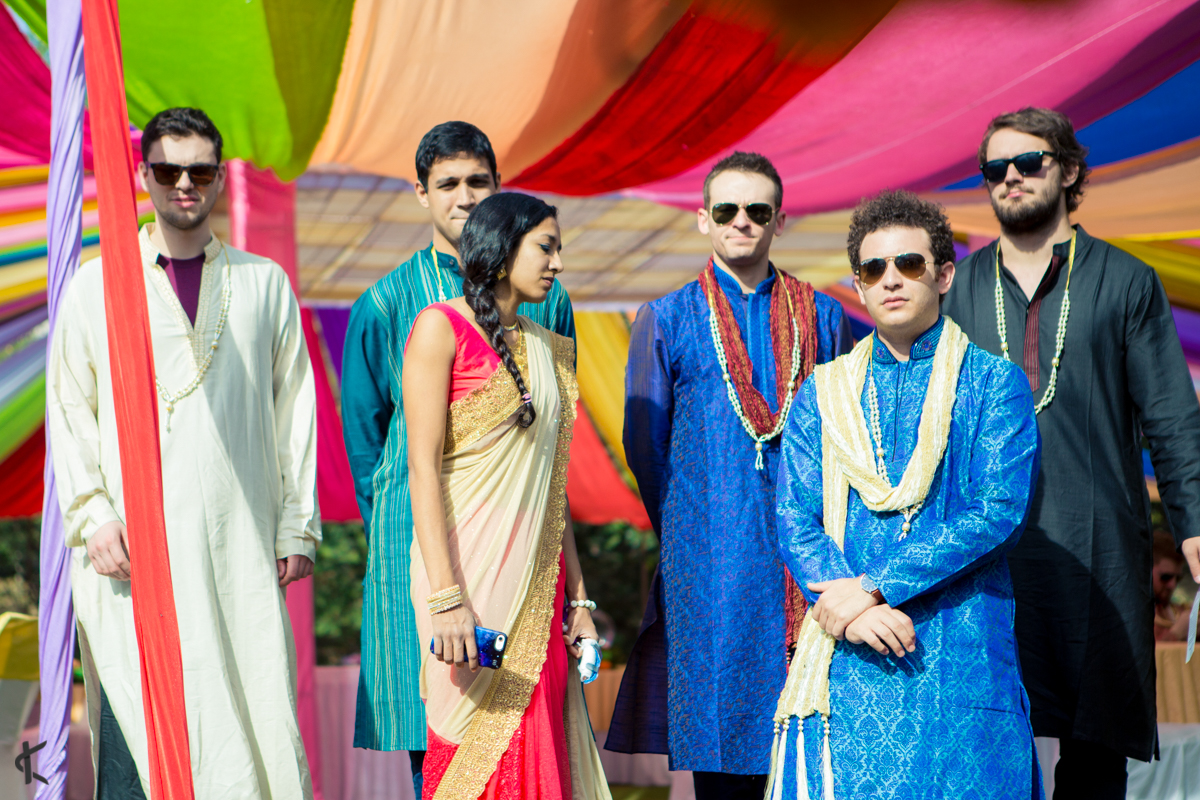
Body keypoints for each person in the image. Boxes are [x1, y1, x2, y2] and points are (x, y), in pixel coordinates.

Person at [47, 107, 319, 799]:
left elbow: (295, 413)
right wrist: (93, 515)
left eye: (199, 171)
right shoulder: (97, 287)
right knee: (139, 743)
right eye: (168, 171)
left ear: (220, 178)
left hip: (238, 549)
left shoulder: (264, 283)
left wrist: (297, 526)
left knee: (251, 728)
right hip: (133, 558)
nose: (184, 185)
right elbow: (70, 409)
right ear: (144, 176)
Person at [941, 107, 1200, 799]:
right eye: (996, 168)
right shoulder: (958, 289)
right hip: (985, 551)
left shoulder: (1126, 280)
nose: (1012, 177)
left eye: (1030, 162)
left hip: (1098, 546)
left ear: (1070, 170)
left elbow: (1173, 418)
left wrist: (1194, 526)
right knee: (987, 739)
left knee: (1094, 748)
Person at [768, 190, 1041, 798]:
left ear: (943, 275)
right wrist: (857, 610)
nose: (891, 280)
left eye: (909, 264)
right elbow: (795, 514)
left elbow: (997, 511)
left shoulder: (993, 383)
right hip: (852, 653)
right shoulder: (823, 393)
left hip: (956, 649)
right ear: (859, 287)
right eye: (874, 269)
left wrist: (873, 587)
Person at [607, 152, 852, 799]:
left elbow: (846, 435)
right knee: (718, 748)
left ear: (779, 221)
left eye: (757, 210)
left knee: (811, 753)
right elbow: (645, 447)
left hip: (807, 562)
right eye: (726, 210)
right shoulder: (667, 317)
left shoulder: (822, 316)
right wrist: (694, 526)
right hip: (708, 567)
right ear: (703, 220)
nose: (741, 222)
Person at [340, 122, 575, 794]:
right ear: (422, 193)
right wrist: (424, 558)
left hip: (523, 550)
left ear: (499, 188)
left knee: (531, 741)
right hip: (414, 548)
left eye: (478, 182)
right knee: (436, 737)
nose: (465, 197)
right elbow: (369, 447)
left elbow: (551, 445)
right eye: (448, 184)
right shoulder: (387, 302)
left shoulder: (549, 302)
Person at [402, 191, 608, 799]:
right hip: (465, 584)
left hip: (538, 591)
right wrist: (447, 600)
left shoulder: (551, 352)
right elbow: (421, 470)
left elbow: (552, 493)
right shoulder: (440, 328)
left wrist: (578, 603)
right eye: (546, 247)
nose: (557, 264)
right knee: (468, 754)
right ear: (502, 247)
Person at [1152, 530, 1190, 642]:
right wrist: (1176, 634)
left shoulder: (1179, 611)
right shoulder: (1131, 614)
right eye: (1165, 577)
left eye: (1178, 578)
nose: (1172, 585)